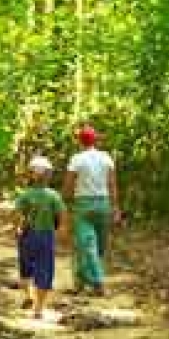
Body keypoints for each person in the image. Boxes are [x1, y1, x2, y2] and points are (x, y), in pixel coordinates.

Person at [63, 125, 121, 295]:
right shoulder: (106, 158)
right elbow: (112, 184)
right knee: (98, 247)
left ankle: (97, 282)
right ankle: (79, 283)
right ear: (96, 140)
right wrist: (115, 207)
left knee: (85, 245)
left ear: (79, 141)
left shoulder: (77, 159)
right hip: (103, 204)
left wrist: (64, 201)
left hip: (83, 205)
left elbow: (69, 183)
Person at [12, 156, 64, 320]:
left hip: (28, 235)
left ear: (30, 175)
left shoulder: (24, 195)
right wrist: (61, 231)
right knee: (45, 270)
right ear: (49, 176)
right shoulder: (53, 196)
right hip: (46, 236)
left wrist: (18, 229)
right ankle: (38, 308)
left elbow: (17, 216)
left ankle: (28, 295)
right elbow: (62, 214)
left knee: (25, 267)